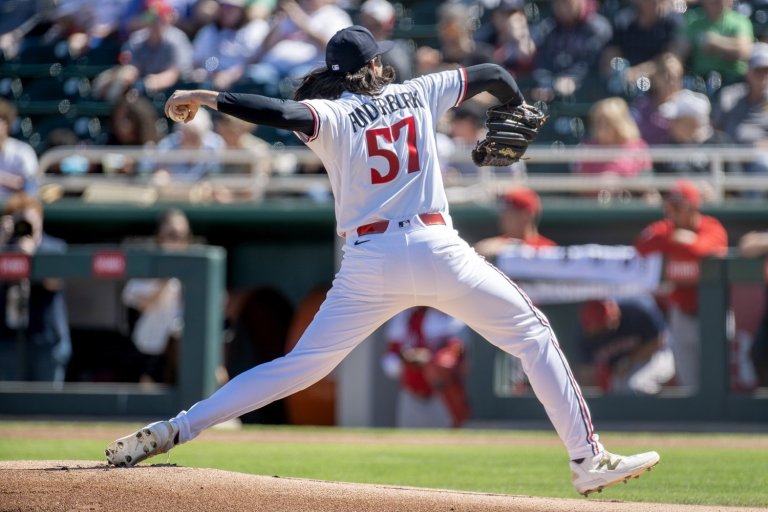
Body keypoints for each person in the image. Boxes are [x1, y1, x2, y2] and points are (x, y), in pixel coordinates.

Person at [105, 24, 660, 496]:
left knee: (300, 368)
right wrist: (515, 106)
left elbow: (275, 112)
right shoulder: (419, 91)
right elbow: (493, 73)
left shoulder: (331, 114)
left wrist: (207, 97)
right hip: (438, 246)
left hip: (369, 259)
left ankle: (178, 427)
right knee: (531, 334)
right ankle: (586, 460)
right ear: (375, 66)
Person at [634, 180, 727, 392]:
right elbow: (642, 245)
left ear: (693, 207)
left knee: (718, 383)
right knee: (689, 384)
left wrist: (684, 241)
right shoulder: (666, 229)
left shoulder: (711, 226)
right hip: (681, 314)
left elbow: (702, 249)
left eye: (678, 206)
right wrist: (674, 238)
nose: (672, 212)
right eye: (669, 206)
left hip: (712, 315)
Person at [0, 193, 70, 385]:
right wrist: (3, 245)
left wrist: (32, 257)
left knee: (47, 406)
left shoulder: (53, 248)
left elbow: (54, 281)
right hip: (8, 337)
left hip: (46, 337)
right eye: (18, 221)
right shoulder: (5, 248)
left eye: (28, 221)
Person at [122, 209, 191, 384]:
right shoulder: (146, 268)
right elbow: (141, 303)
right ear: (159, 237)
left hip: (182, 353)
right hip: (148, 353)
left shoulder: (194, 270)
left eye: (182, 236)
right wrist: (166, 276)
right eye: (172, 235)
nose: (177, 241)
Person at [382, 306, 469, 428]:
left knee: (444, 442)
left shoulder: (449, 314)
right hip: (411, 394)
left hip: (440, 395)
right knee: (406, 443)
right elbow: (390, 364)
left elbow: (456, 354)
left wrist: (430, 359)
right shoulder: (403, 316)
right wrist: (407, 359)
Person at [92, 0, 193, 102]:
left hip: (174, 95)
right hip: (142, 93)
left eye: (158, 17)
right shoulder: (137, 39)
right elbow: (133, 68)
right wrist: (127, 76)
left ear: (167, 18)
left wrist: (150, 82)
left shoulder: (177, 39)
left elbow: (173, 74)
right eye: (150, 17)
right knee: (113, 79)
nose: (154, 22)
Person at [578, 297, 675, 395]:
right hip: (622, 369)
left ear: (615, 318)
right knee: (618, 388)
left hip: (658, 356)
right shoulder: (586, 334)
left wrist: (629, 361)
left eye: (603, 327)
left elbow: (659, 342)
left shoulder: (635, 313)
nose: (600, 332)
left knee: (636, 385)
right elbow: (586, 372)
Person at [713, 42, 768, 179]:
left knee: (762, 165)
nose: (762, 76)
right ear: (748, 71)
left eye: (766, 71)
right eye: (758, 70)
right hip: (730, 157)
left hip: (760, 158)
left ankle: (748, 201)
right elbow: (715, 130)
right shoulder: (730, 96)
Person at [653, 89, 739, 175]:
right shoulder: (669, 144)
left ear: (693, 122)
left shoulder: (720, 142)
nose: (671, 125)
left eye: (677, 120)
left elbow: (736, 181)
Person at [672, 0, 753, 88]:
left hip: (732, 80)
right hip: (700, 81)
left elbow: (743, 51)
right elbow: (677, 55)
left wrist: (716, 44)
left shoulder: (739, 21)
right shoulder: (693, 21)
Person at [572, 97, 652, 178]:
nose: (601, 126)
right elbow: (579, 183)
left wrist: (620, 180)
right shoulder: (588, 148)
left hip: (630, 190)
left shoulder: (637, 146)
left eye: (607, 122)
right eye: (598, 121)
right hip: (598, 190)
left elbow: (646, 181)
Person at [475, 186, 555, 260]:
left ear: (526, 215)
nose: (503, 217)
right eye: (503, 212)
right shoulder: (496, 244)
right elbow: (481, 250)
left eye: (509, 213)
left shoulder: (547, 247)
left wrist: (512, 248)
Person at [0, 99, 39, 199]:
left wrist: (4, 179)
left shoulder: (23, 151)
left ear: (6, 124)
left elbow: (30, 186)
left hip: (16, 208)